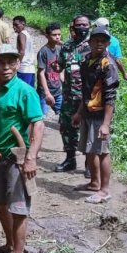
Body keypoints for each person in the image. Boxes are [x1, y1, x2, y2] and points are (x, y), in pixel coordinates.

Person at [0, 44, 44, 253]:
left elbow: (37, 124)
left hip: (18, 157)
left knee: (18, 208)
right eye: (0, 62)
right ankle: (9, 244)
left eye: (11, 62)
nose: (6, 67)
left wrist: (31, 158)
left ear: (18, 64)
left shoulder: (24, 91)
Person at [72, 25, 119, 203]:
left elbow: (110, 96)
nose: (99, 43)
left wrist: (106, 124)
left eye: (103, 41)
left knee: (102, 151)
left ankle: (105, 190)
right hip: (88, 112)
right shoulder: (86, 62)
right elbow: (86, 91)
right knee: (89, 150)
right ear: (89, 42)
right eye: (96, 40)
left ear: (107, 43)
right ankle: (94, 182)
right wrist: (79, 112)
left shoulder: (108, 64)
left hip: (100, 115)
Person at [54, 14, 91, 173]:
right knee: (66, 127)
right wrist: (57, 68)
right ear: (73, 26)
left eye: (85, 25)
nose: (82, 27)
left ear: (89, 27)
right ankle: (70, 160)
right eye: (79, 25)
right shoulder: (67, 46)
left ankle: (90, 165)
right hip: (69, 96)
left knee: (89, 130)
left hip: (88, 98)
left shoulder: (92, 46)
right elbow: (60, 66)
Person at [37, 22, 64, 116]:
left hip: (57, 90)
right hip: (45, 91)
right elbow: (41, 73)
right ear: (47, 36)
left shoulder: (59, 49)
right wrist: (47, 93)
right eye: (54, 35)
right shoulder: (43, 51)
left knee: (64, 114)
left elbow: (60, 70)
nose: (57, 37)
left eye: (59, 34)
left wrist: (65, 83)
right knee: (40, 118)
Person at [94, 17, 127, 81]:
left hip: (94, 72)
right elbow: (117, 60)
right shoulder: (114, 41)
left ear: (96, 26)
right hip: (110, 73)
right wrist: (124, 73)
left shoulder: (92, 40)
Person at [13, 16, 35, 86]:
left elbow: (22, 51)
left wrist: (17, 64)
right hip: (31, 69)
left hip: (24, 68)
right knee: (29, 91)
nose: (14, 27)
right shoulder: (27, 34)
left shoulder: (21, 34)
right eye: (13, 25)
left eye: (16, 25)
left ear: (23, 24)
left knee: (23, 92)